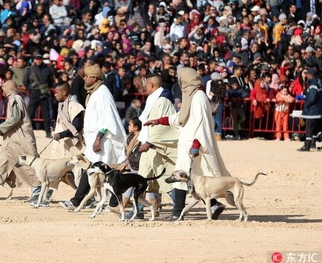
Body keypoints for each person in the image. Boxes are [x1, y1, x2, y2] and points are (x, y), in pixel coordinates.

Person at [144, 67, 229, 220]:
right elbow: (180, 118)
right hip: (187, 145)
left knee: (182, 178)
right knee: (190, 180)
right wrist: (158, 121)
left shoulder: (199, 97)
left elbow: (201, 125)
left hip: (194, 147)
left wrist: (195, 146)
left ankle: (177, 213)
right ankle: (214, 204)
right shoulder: (192, 96)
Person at [60, 64, 127, 210]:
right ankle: (113, 202)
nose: (84, 79)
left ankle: (78, 201)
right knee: (102, 169)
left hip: (103, 139)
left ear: (94, 78)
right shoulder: (95, 92)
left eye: (86, 76)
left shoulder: (102, 94)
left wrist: (98, 139)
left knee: (95, 169)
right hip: (95, 138)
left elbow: (107, 120)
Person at [0, 81, 40, 201]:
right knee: (0, 165)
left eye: (3, 88)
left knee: (28, 166)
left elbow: (15, 118)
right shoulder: (14, 99)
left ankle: (38, 193)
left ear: (8, 89)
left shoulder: (15, 99)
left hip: (20, 140)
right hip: (11, 140)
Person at [136, 74, 178, 218]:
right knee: (141, 178)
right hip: (148, 145)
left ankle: (179, 208)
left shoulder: (163, 101)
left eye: (146, 84)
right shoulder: (153, 99)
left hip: (155, 146)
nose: (145, 87)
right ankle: (139, 210)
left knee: (164, 178)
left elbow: (163, 126)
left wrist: (150, 142)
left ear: (151, 85)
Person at [23, 54, 54, 138]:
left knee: (46, 114)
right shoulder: (30, 70)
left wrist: (46, 89)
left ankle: (48, 132)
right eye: (37, 59)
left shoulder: (47, 70)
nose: (39, 61)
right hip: (34, 94)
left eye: (40, 59)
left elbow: (51, 82)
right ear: (35, 60)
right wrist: (31, 88)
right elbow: (25, 81)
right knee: (30, 114)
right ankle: (27, 132)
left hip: (44, 95)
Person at [297, 69, 322, 151]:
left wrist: (306, 105)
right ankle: (312, 144)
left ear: (311, 75)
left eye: (307, 74)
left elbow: (312, 98)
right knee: (316, 129)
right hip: (317, 110)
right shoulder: (318, 83)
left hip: (312, 110)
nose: (306, 75)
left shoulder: (313, 85)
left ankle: (307, 146)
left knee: (309, 128)